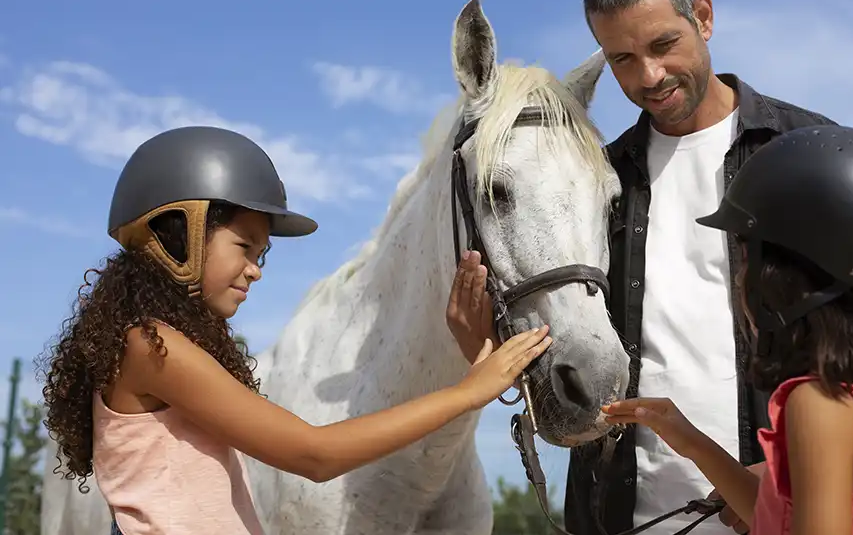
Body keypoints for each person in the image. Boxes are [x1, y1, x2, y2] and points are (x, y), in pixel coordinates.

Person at [445, 0, 853, 535]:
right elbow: (566, 341)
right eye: (621, 59)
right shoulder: (597, 176)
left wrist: (790, 468)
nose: (649, 76)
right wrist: (488, 353)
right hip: (623, 516)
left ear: (703, 15)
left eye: (663, 45)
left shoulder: (812, 153)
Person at [39, 125, 553, 535]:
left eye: (261, 255)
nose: (257, 269)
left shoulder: (165, 346)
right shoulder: (150, 346)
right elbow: (315, 454)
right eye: (244, 247)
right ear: (180, 231)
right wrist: (465, 393)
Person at [603, 123, 853, 534]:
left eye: (746, 259)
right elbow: (778, 520)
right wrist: (693, 443)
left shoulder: (817, 405)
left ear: (789, 282)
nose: (740, 277)